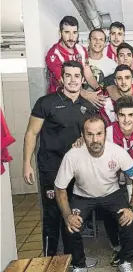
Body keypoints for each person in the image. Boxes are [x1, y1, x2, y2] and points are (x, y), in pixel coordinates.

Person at [22, 61, 96, 257]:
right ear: (61, 79)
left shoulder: (87, 107)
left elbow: (94, 135)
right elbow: (31, 133)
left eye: (77, 76)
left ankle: (73, 261)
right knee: (53, 216)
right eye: (68, 76)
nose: (73, 80)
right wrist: (26, 163)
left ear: (82, 80)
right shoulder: (46, 102)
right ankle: (48, 260)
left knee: (73, 214)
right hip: (51, 168)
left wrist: (85, 139)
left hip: (76, 171)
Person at [54, 115, 133, 272]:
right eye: (90, 134)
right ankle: (79, 265)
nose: (95, 139)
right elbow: (59, 188)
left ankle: (125, 261)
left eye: (99, 134)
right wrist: (68, 215)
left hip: (112, 193)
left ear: (105, 134)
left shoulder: (117, 152)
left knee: (128, 221)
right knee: (71, 226)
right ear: (82, 135)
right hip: (83, 195)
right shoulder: (72, 156)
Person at [45, 16, 104, 108]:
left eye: (74, 32)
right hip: (59, 102)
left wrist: (99, 90)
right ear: (60, 33)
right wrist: (86, 95)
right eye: (67, 32)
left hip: (78, 99)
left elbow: (87, 74)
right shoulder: (53, 54)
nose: (71, 37)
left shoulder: (81, 50)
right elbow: (64, 82)